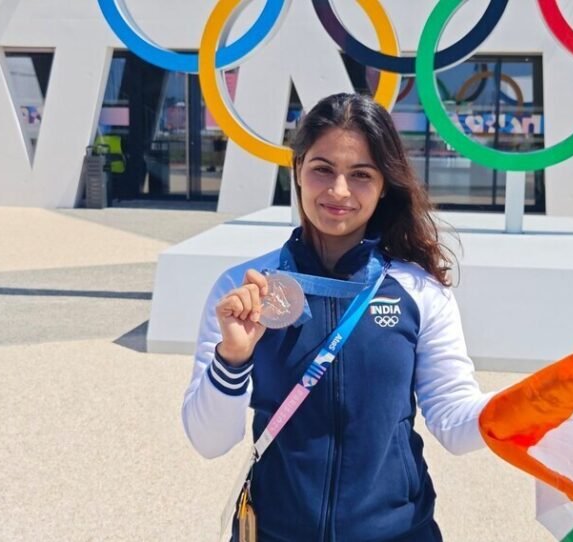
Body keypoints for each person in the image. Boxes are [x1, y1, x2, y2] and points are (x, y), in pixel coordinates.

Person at [182, 93, 492, 541]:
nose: (339, 191)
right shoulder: (246, 288)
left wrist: (530, 403)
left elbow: (455, 422)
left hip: (397, 532)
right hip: (274, 532)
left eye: (361, 175)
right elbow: (208, 442)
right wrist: (232, 357)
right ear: (298, 171)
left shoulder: (419, 290)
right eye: (322, 169)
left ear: (385, 184)